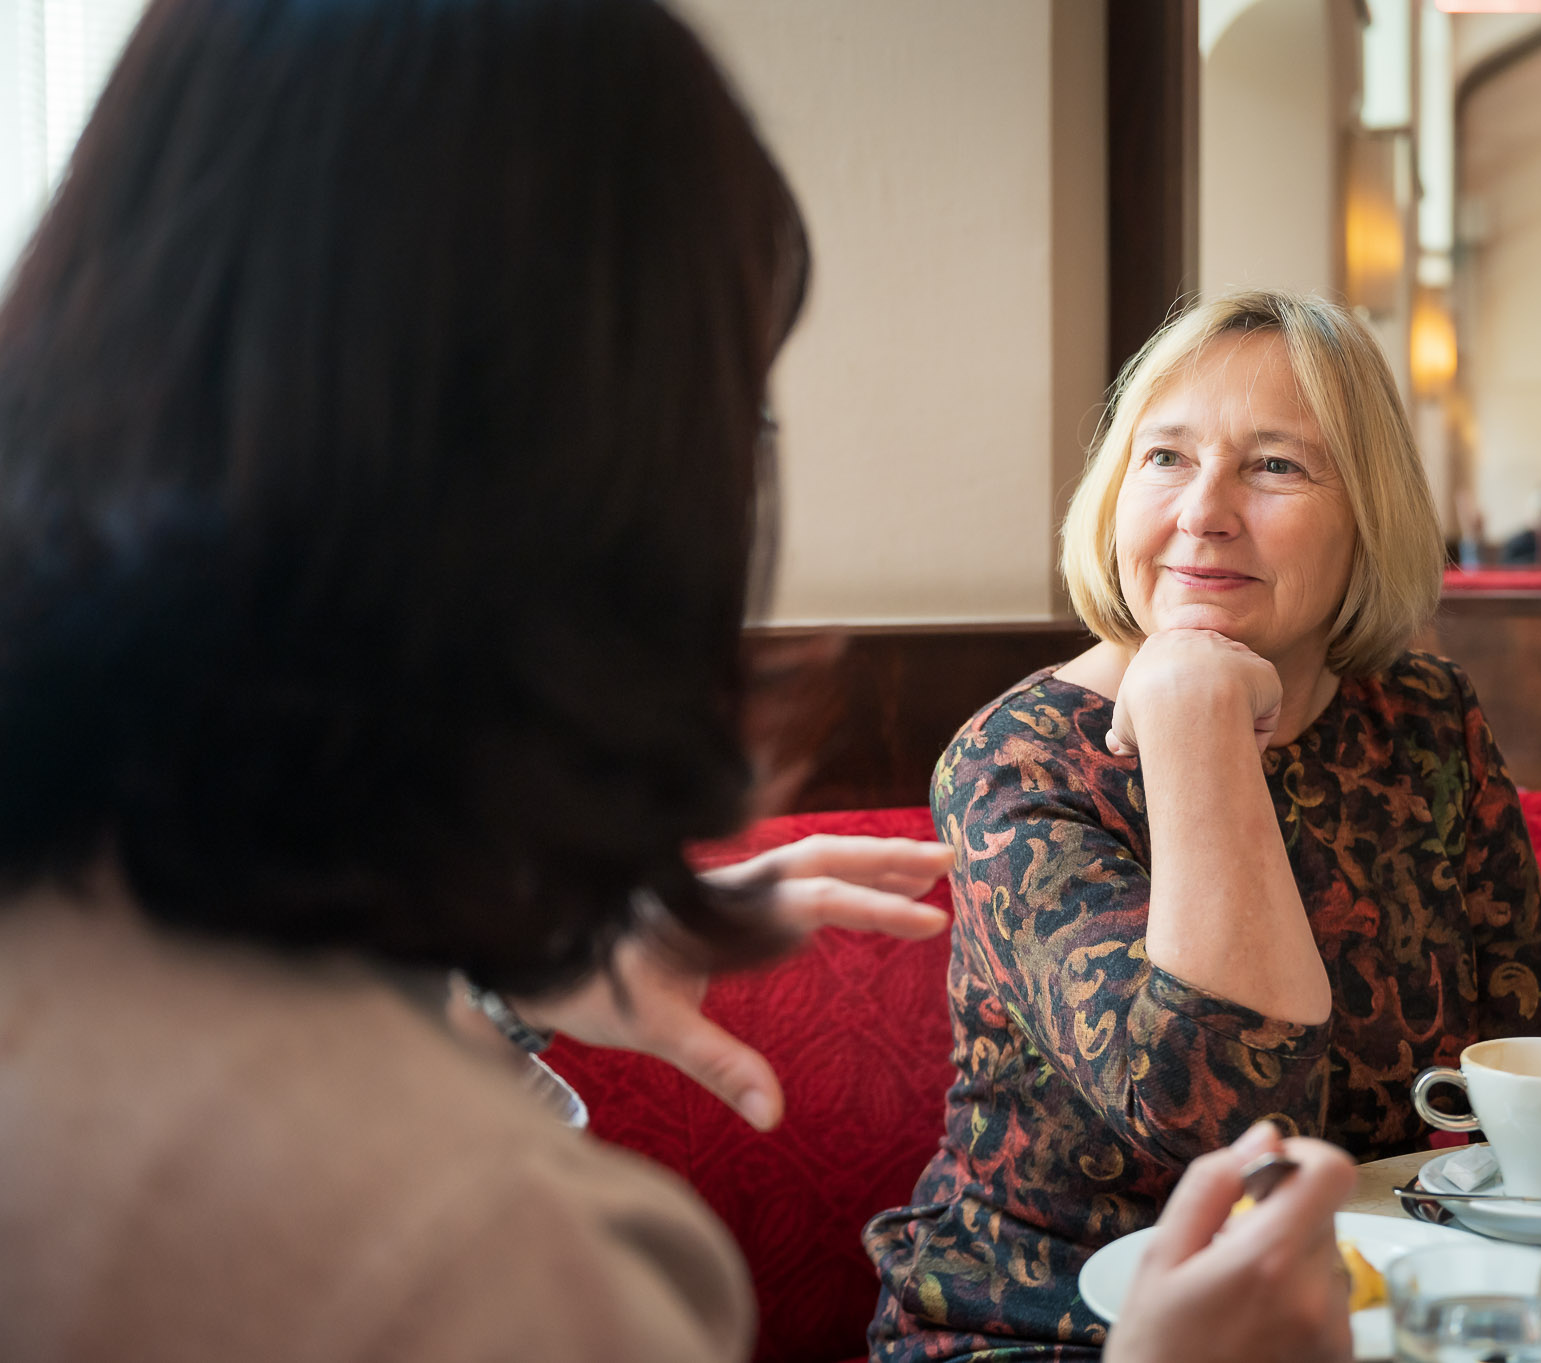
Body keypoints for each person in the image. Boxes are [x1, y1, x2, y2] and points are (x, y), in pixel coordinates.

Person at [0, 0, 1359, 1359]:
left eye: (1278, 463)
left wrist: (491, 984)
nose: (1208, 509)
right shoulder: (498, 1265)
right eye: (739, 407)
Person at [867, 291, 1541, 1360]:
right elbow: (1219, 1120)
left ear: (1367, 513)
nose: (1203, 509)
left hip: (1357, 1313)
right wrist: (1195, 713)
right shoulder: (1018, 759)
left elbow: (1535, 1057)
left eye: (1274, 466)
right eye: (1164, 457)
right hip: (1040, 1329)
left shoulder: (1424, 718)